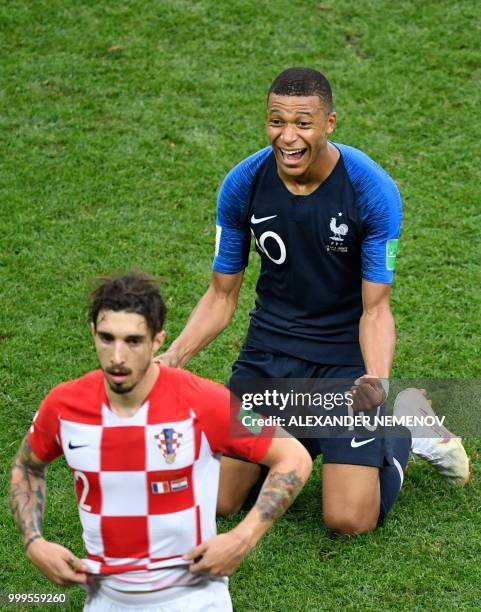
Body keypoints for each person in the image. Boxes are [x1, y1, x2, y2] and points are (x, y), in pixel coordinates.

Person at [158, 67, 469, 534]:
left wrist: (376, 381)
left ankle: (405, 423)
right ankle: (307, 433)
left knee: (347, 519)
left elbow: (376, 309)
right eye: (275, 121)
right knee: (221, 501)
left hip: (341, 363)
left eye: (303, 123)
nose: (287, 136)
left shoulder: (371, 191)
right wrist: (174, 357)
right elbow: (222, 295)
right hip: (267, 357)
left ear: (329, 123)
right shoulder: (243, 184)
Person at [10, 271, 312, 611]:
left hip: (196, 602)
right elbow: (27, 465)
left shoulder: (205, 402)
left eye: (133, 341)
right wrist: (33, 542)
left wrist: (243, 538)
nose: (118, 356)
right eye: (107, 338)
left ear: (157, 340)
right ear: (93, 333)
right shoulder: (64, 406)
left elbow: (293, 457)